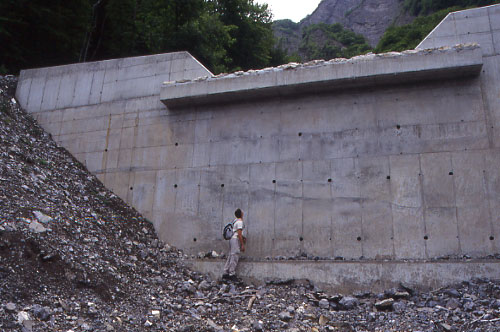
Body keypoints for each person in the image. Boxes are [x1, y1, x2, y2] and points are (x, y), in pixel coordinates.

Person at [223, 208, 245, 280]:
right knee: (234, 255)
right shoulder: (240, 222)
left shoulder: (235, 221)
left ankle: (225, 272)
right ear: (241, 214)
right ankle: (231, 273)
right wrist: (242, 244)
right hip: (235, 240)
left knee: (230, 255)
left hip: (232, 239)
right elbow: (239, 233)